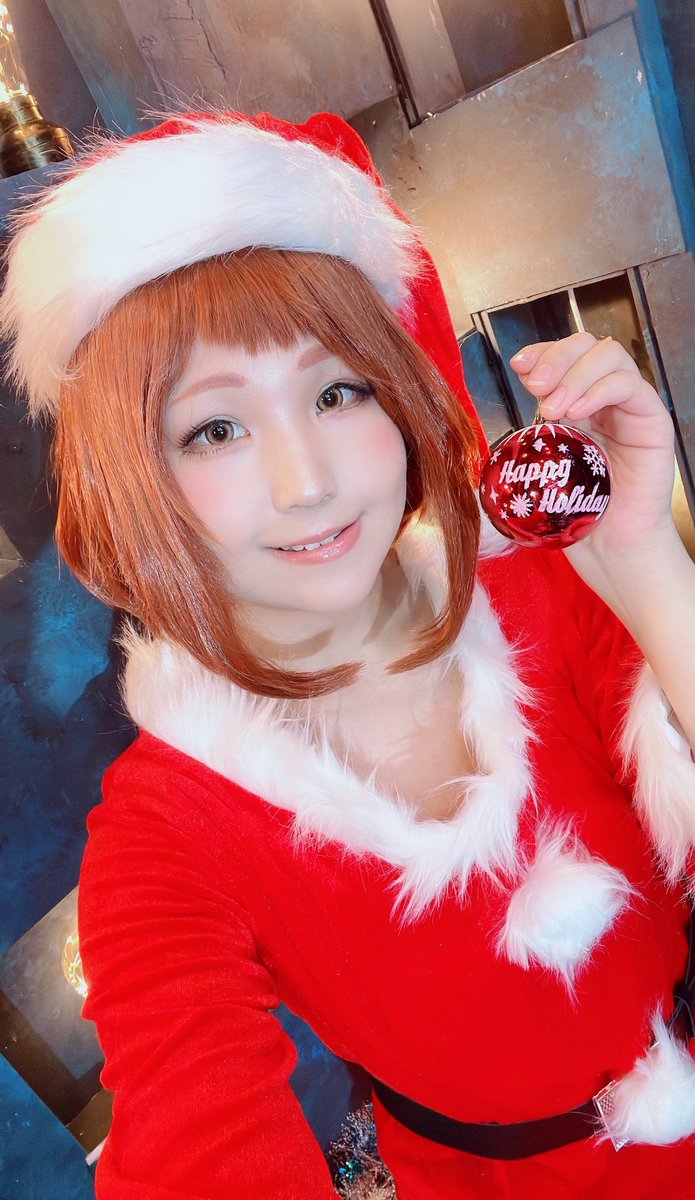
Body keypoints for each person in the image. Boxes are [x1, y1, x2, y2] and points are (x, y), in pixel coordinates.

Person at [2, 109, 695, 1200]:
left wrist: (646, 563)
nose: (307, 482)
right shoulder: (160, 840)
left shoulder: (538, 595)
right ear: (132, 485)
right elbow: (193, 1139)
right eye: (213, 429)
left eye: (337, 392)